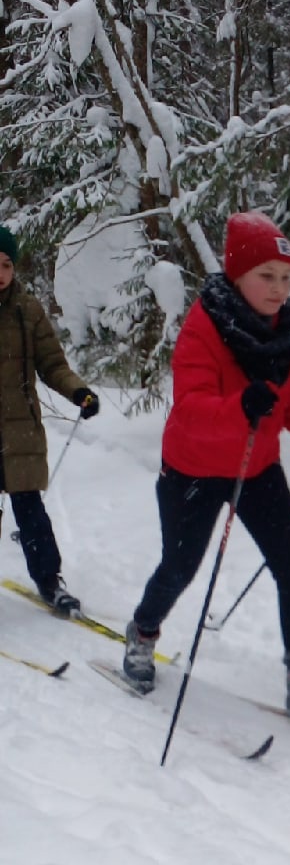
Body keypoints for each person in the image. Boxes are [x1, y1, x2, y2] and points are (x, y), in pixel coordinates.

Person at [123, 210, 290, 731]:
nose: (279, 290)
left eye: (286, 278)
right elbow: (190, 408)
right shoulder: (204, 328)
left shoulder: (286, 333)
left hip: (257, 468)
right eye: (266, 277)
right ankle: (142, 634)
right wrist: (239, 407)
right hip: (192, 469)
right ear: (238, 276)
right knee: (180, 568)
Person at [0, 223, 100, 615]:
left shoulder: (28, 310)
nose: (1, 273)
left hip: (19, 429)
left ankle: (49, 581)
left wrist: (78, 391)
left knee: (31, 512)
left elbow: (53, 364)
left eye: (7, 264)